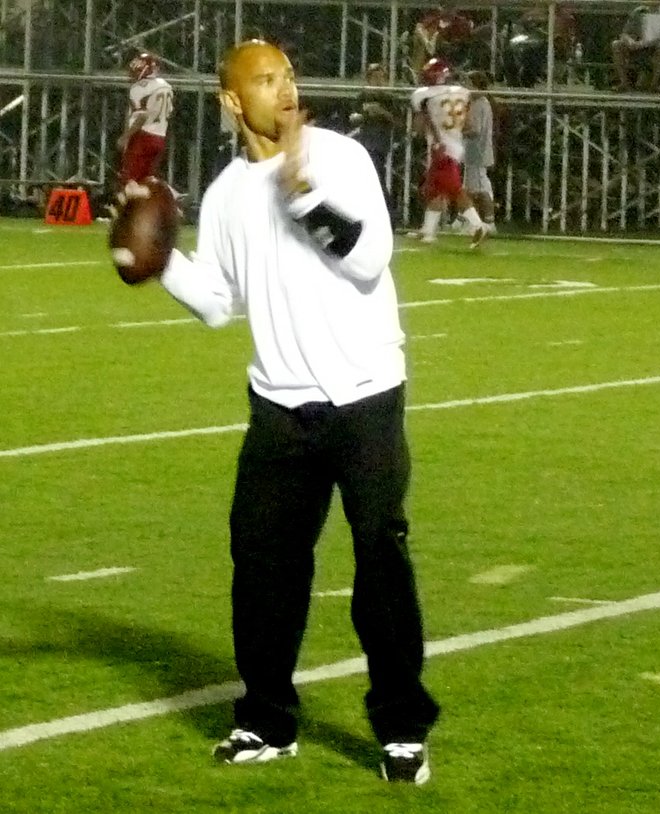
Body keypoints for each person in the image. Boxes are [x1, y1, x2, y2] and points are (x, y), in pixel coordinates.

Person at [154, 39, 440, 784]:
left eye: (288, 75)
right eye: (265, 79)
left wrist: (304, 195)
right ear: (230, 99)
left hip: (366, 393)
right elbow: (220, 303)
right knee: (262, 570)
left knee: (381, 556)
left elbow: (368, 257)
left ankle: (404, 729)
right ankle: (265, 721)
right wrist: (161, 264)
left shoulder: (338, 156)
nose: (283, 90)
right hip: (280, 406)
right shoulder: (223, 194)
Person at [410, 57, 487, 245]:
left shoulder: (424, 95)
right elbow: (468, 125)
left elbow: (418, 128)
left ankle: (478, 225)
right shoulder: (461, 93)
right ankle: (428, 231)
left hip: (441, 147)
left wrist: (419, 129)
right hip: (455, 144)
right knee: (434, 189)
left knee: (454, 189)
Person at [349, 63, 398, 226]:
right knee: (367, 179)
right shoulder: (363, 95)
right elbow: (352, 118)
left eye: (381, 77)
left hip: (379, 143)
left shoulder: (389, 98)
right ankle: (369, 217)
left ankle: (390, 217)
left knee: (377, 178)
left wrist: (381, 112)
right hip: (364, 142)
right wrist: (363, 115)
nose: (378, 80)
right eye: (374, 77)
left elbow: (398, 122)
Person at [117, 52, 174, 188]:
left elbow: (142, 116)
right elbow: (169, 112)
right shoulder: (166, 85)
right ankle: (172, 198)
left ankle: (131, 207)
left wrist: (125, 137)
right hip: (160, 137)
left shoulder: (138, 88)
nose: (132, 75)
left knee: (130, 181)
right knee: (149, 180)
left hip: (142, 138)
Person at [462, 70, 495, 232]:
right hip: (473, 153)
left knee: (482, 188)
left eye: (468, 83)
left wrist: (458, 131)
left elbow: (475, 130)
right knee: (470, 189)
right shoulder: (478, 103)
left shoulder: (480, 103)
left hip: (478, 152)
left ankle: (489, 222)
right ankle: (466, 221)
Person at [611, 4, 660, 91]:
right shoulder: (638, 12)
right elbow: (625, 33)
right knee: (616, 44)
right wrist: (630, 41)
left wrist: (644, 44)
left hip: (656, 47)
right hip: (637, 46)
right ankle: (624, 83)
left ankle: (654, 85)